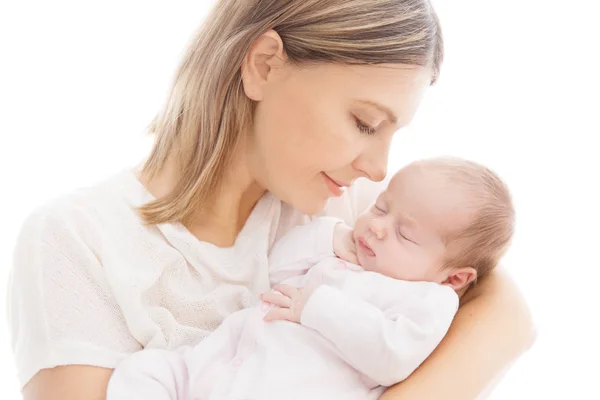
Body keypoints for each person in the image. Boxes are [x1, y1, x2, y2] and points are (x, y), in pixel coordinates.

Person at [7, 1, 535, 399]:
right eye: (364, 123)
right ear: (263, 64)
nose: (377, 166)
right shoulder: (80, 240)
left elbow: (507, 315)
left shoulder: (360, 207)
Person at [105, 157, 515, 400]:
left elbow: (391, 357)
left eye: (405, 233)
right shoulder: (344, 251)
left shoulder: (428, 299)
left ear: (454, 277)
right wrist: (331, 236)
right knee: (143, 371)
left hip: (287, 388)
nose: (376, 227)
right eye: (381, 207)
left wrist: (316, 306)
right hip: (212, 366)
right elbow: (279, 271)